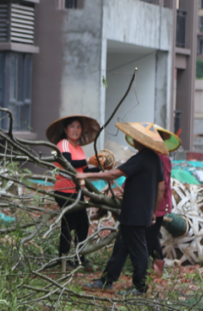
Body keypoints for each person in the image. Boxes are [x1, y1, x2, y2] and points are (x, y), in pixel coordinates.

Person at [75, 122, 169, 295]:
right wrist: (154, 211)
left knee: (139, 249)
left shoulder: (140, 158)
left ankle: (140, 287)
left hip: (135, 212)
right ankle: (107, 281)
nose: (133, 140)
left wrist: (86, 174)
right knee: (121, 246)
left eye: (136, 138)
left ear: (141, 141)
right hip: (139, 211)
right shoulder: (155, 159)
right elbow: (161, 187)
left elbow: (114, 174)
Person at [45, 115, 101, 271]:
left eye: (78, 127)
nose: (75, 130)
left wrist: (101, 168)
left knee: (83, 225)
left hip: (77, 191)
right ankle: (64, 261)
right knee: (69, 224)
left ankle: (79, 259)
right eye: (72, 126)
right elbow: (69, 164)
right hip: (64, 190)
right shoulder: (63, 144)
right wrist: (89, 160)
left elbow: (83, 170)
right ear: (65, 130)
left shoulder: (80, 149)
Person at [135, 126, 181, 280]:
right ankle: (156, 268)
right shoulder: (145, 156)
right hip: (147, 203)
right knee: (153, 237)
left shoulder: (163, 159)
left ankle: (145, 272)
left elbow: (163, 184)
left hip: (158, 204)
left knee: (149, 237)